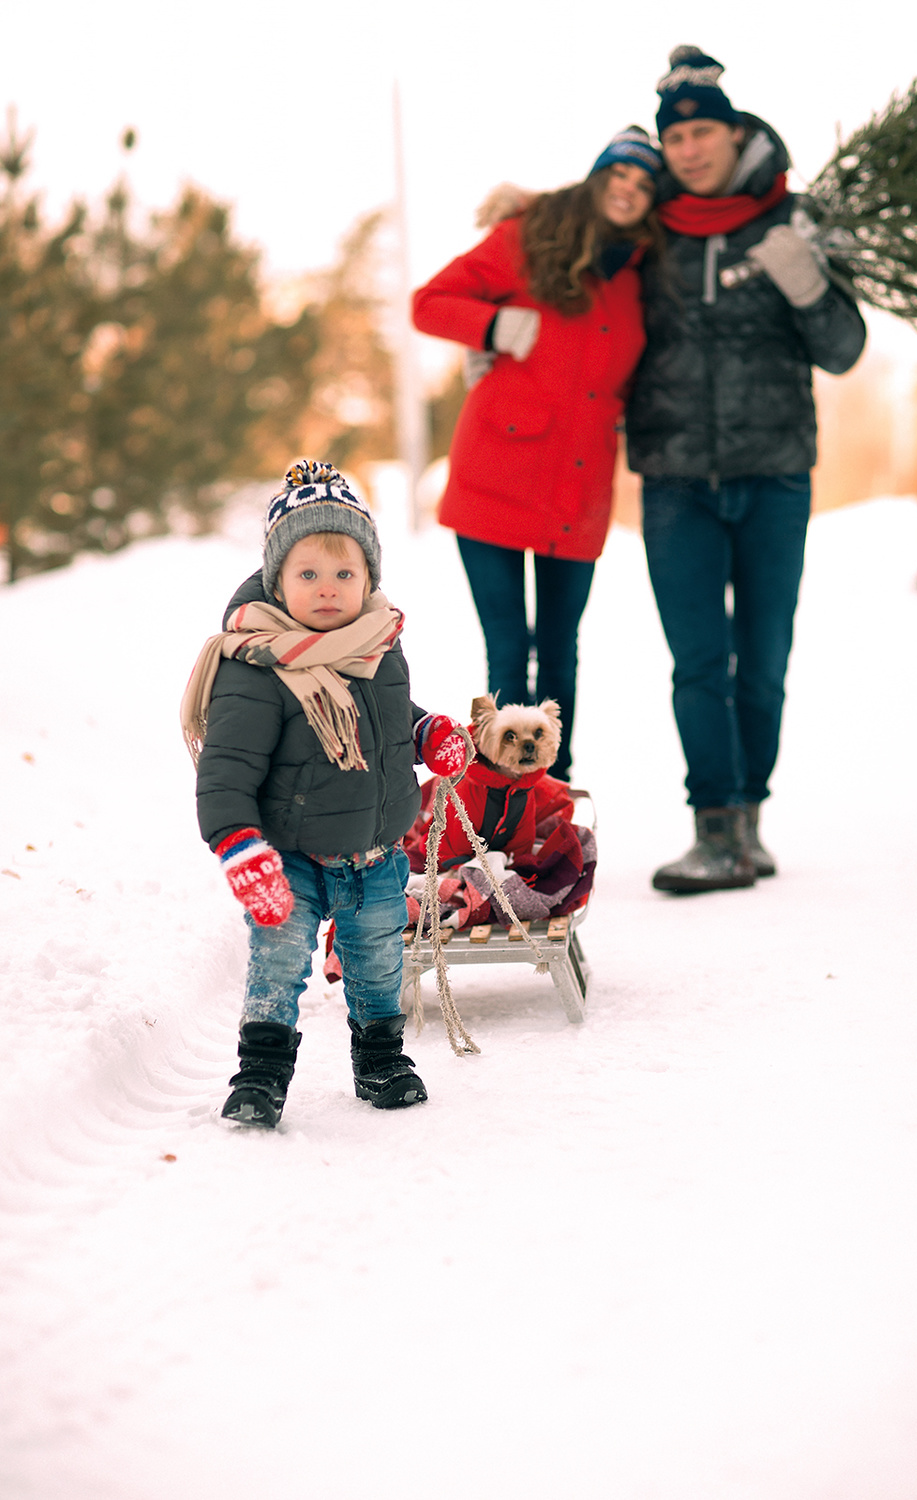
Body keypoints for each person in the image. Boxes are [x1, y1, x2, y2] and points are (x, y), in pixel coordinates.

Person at [625, 47, 868, 892]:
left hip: (774, 473)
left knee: (763, 659)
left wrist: (809, 289)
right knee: (698, 661)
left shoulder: (793, 221)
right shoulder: (644, 230)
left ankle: (749, 818)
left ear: (735, 134)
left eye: (704, 131)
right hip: (676, 477)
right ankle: (715, 826)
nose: (690, 149)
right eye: (677, 135)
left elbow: (844, 350)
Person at [181, 461, 470, 1128]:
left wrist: (428, 734)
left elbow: (393, 718)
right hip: (290, 855)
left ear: (369, 578)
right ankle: (261, 1073)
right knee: (279, 961)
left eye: (345, 574)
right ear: (278, 580)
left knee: (375, 960)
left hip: (373, 854)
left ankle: (380, 1060)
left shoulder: (378, 645)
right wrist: (238, 845)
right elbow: (225, 769)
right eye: (308, 573)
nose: (329, 590)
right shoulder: (256, 666)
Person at [412, 126, 664, 781]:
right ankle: (499, 791)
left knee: (559, 652)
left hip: (577, 491)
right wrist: (491, 326)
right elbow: (429, 302)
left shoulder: (644, 274)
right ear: (596, 179)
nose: (629, 193)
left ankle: (552, 793)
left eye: (644, 185)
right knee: (507, 648)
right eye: (619, 177)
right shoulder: (527, 239)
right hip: (494, 476)